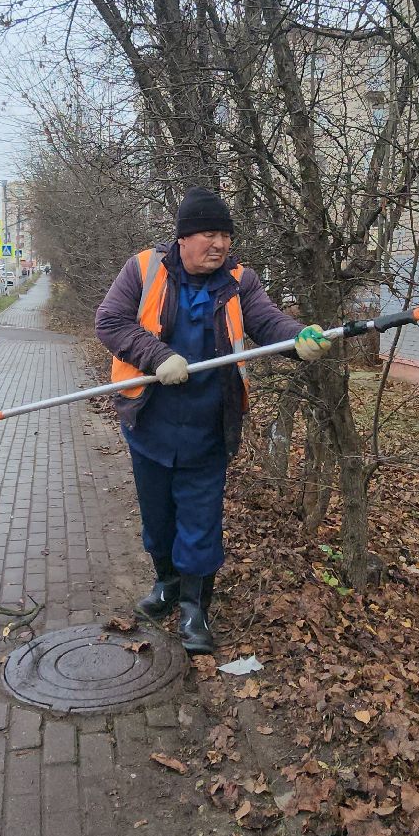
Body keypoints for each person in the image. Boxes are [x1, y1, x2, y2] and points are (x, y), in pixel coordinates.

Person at [95, 187, 333, 654]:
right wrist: (157, 355)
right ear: (183, 238)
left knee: (200, 521)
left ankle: (194, 608)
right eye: (209, 234)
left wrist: (298, 338)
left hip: (208, 427)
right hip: (150, 423)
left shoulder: (240, 281)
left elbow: (268, 323)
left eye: (225, 235)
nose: (220, 244)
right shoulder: (143, 269)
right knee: (157, 517)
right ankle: (165, 583)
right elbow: (110, 321)